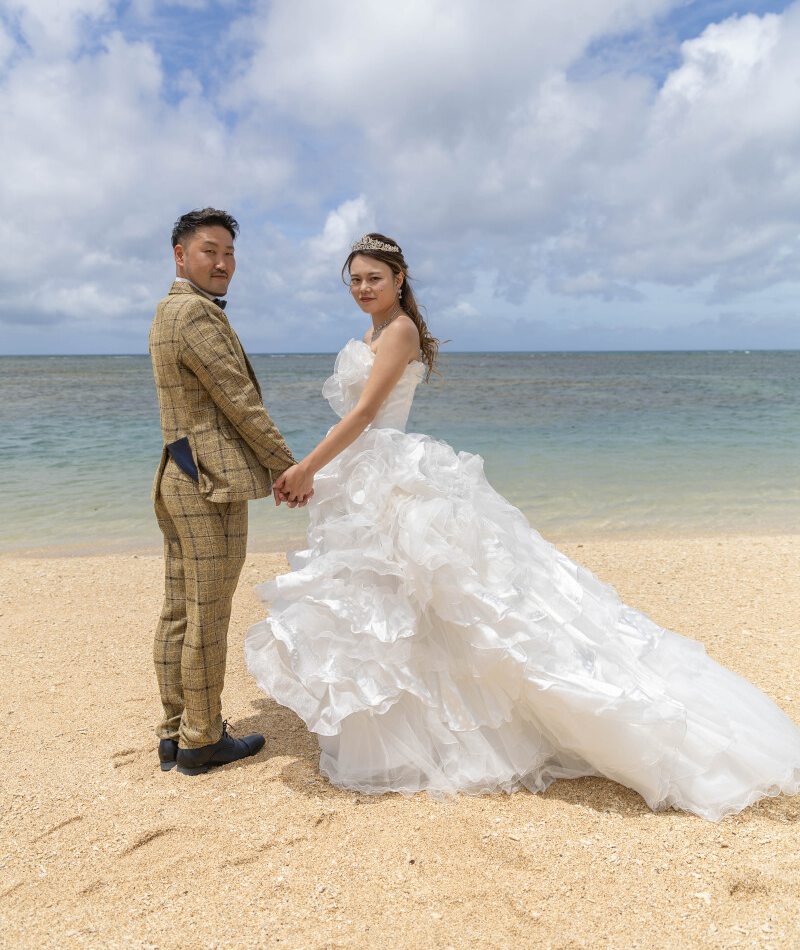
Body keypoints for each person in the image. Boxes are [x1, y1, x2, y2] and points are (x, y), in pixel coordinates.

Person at [247, 233, 800, 820]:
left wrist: (308, 466)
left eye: (373, 279)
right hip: (370, 471)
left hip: (388, 468)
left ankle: (452, 732)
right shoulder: (373, 333)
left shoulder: (401, 330)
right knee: (393, 607)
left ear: (400, 279)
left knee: (442, 599)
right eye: (354, 279)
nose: (363, 288)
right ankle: (410, 729)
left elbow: (364, 414)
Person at [150, 207, 309, 778]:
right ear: (181, 256)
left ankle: (173, 732)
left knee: (178, 610)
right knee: (206, 614)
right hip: (208, 486)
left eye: (229, 253)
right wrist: (290, 467)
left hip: (177, 475)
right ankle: (201, 738)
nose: (222, 263)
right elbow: (240, 402)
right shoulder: (195, 314)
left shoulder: (167, 311)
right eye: (210, 251)